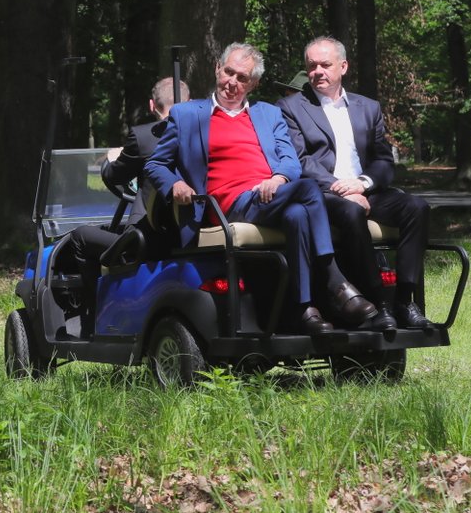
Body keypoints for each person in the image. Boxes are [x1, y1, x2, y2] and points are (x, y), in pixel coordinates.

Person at [144, 42, 377, 334]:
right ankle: (334, 281)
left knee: (297, 215)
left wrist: (278, 178)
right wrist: (175, 183)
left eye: (242, 78)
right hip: (228, 205)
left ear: (253, 84)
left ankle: (302, 309)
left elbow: (291, 162)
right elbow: (155, 165)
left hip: (269, 196)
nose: (232, 83)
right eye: (229, 72)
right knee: (307, 190)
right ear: (218, 68)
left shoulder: (268, 114)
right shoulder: (188, 115)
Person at [278, 36, 431, 329]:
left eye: (325, 64)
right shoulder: (291, 107)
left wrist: (362, 183)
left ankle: (404, 299)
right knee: (351, 212)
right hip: (323, 193)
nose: (318, 71)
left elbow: (384, 160)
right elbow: (300, 160)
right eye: (312, 66)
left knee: (417, 207)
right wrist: (340, 187)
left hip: (365, 189)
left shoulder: (368, 107)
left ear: (343, 66)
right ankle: (378, 302)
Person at [67, 77, 190, 336]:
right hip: (187, 234)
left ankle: (93, 315)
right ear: (189, 102)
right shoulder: (202, 135)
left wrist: (110, 161)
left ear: (151, 105)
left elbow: (115, 177)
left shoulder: (144, 137)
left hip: (147, 241)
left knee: (79, 237)